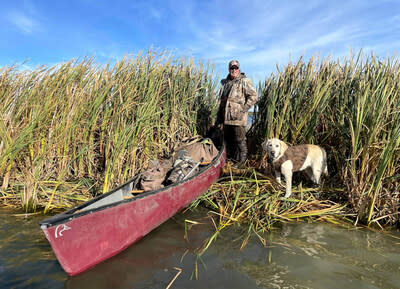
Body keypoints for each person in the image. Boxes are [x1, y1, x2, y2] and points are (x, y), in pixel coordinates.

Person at [215, 60, 257, 166]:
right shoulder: (225, 83)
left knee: (240, 140)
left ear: (239, 69)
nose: (234, 70)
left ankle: (242, 161)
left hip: (238, 118)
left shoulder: (244, 81)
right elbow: (221, 100)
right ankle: (229, 159)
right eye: (231, 68)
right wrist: (218, 116)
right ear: (229, 69)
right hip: (225, 117)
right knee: (227, 139)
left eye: (236, 68)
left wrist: (244, 109)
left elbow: (253, 96)